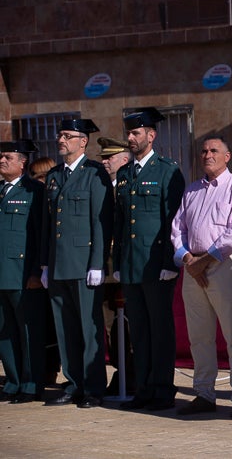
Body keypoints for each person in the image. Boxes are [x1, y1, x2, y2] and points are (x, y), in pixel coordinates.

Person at [171, 136, 232, 419]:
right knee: (199, 336)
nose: (207, 155)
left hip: (222, 265)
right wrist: (186, 258)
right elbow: (177, 228)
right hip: (192, 266)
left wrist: (204, 261)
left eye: (214, 150)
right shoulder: (191, 190)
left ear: (227, 156)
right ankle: (204, 393)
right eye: (204, 151)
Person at [114, 109, 185, 412]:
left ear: (151, 136)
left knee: (160, 330)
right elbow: (121, 222)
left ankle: (162, 390)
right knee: (139, 331)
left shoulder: (168, 171)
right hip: (132, 265)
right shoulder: (125, 173)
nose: (130, 138)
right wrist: (117, 263)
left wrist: (170, 262)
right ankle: (143, 389)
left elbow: (174, 220)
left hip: (157, 265)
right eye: (129, 133)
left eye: (136, 133)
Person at [41, 118, 113, 408]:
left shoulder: (94, 173)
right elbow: (48, 223)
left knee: (88, 328)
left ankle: (94, 387)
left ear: (83, 141)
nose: (61, 140)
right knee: (65, 328)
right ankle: (73, 384)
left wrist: (97, 263)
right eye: (60, 135)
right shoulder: (54, 175)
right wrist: (45, 265)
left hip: (84, 264)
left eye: (68, 136)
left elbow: (101, 220)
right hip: (58, 264)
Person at [0, 140, 46, 403]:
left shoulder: (34, 191)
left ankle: (30, 383)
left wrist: (36, 271)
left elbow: (40, 235)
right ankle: (13, 381)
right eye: (1, 157)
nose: (2, 161)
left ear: (22, 162)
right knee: (4, 331)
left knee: (28, 332)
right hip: (2, 274)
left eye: (7, 157)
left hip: (22, 274)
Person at [97, 136, 135, 396]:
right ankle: (120, 373)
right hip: (102, 267)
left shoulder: (127, 185)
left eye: (108, 157)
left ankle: (132, 374)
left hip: (123, 265)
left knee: (128, 326)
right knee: (109, 325)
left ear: (124, 159)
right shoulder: (100, 186)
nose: (103, 161)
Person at [27, 155, 60, 388]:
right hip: (34, 271)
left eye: (42, 177)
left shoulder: (51, 199)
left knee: (53, 325)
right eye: (34, 177)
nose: (39, 181)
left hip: (52, 270)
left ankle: (51, 369)